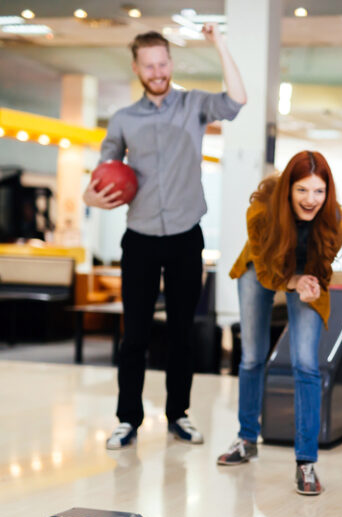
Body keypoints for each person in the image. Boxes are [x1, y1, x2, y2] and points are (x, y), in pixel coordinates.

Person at [84, 26, 246, 450]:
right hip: (138, 236)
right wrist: (91, 194)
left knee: (181, 332)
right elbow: (105, 170)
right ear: (137, 68)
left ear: (171, 64)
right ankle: (127, 419)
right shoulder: (123, 119)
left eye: (162, 63)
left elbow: (237, 101)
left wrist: (220, 45)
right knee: (134, 333)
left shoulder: (194, 104)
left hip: (184, 234)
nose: (157, 71)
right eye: (148, 65)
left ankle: (179, 414)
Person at [217, 150, 342, 495]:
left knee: (306, 363)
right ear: (288, 188)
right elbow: (265, 270)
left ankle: (306, 462)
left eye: (318, 191)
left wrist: (310, 282)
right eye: (302, 190)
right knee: (252, 356)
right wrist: (291, 281)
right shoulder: (261, 211)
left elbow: (324, 267)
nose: (311, 199)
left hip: (305, 276)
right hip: (259, 270)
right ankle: (246, 439)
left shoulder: (336, 220)